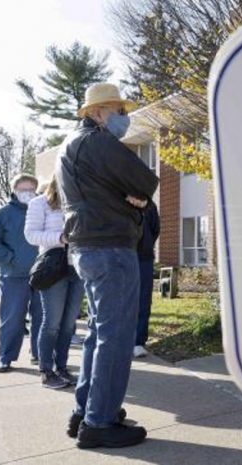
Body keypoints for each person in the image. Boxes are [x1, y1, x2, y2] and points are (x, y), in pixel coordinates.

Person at [56, 82, 158, 448]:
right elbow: (146, 181)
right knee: (115, 338)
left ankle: (87, 411)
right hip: (111, 248)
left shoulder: (71, 146)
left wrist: (133, 195)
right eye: (118, 110)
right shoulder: (98, 143)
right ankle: (99, 423)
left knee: (99, 335)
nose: (124, 118)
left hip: (88, 247)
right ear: (96, 112)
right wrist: (138, 198)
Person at [24, 176, 84, 390]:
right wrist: (61, 238)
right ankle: (46, 372)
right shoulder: (39, 203)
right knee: (52, 323)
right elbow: (31, 235)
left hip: (77, 266)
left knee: (68, 325)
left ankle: (62, 367)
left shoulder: (80, 201)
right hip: (53, 268)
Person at [0, 174, 43, 373]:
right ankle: (5, 357)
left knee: (42, 317)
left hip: (42, 274)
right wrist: (9, 258)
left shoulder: (43, 209)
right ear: (15, 190)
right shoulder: (3, 213)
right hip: (13, 275)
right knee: (12, 319)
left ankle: (39, 354)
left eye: (31, 189)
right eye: (23, 189)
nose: (27, 193)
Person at [134, 200, 159, 358]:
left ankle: (138, 342)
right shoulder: (115, 198)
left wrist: (146, 243)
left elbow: (155, 229)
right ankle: (121, 340)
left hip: (144, 258)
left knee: (143, 300)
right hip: (121, 256)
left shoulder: (149, 204)